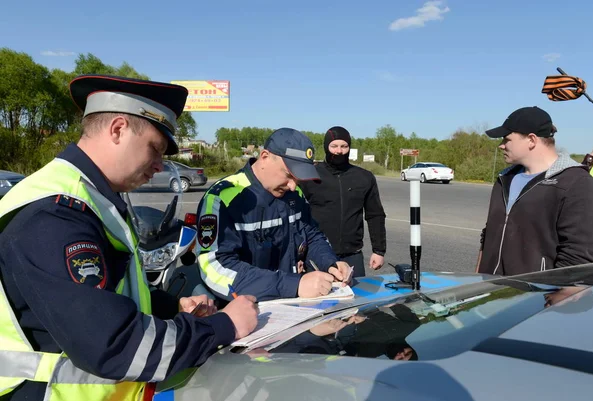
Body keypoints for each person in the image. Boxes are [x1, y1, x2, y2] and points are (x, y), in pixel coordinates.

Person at [0, 75, 258, 401]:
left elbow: (105, 292)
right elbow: (115, 344)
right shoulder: (54, 214)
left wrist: (170, 305)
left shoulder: (92, 196)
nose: (160, 165)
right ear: (118, 129)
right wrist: (224, 326)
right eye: (155, 148)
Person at [195, 128, 352, 302]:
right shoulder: (222, 198)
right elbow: (214, 268)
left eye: (298, 179)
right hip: (245, 313)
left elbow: (312, 235)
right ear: (264, 157)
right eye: (288, 175)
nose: (293, 186)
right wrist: (293, 285)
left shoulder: (294, 195)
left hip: (292, 306)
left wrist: (330, 263)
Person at [476, 106, 593, 276]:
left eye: (506, 139)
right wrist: (477, 278)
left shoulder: (577, 184)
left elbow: (579, 258)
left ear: (532, 140)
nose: (501, 146)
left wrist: (548, 297)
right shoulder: (504, 179)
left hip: (534, 297)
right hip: (489, 292)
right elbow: (488, 234)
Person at [298, 126, 386, 277]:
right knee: (318, 300)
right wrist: (297, 255)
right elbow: (295, 216)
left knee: (356, 299)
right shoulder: (310, 176)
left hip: (352, 255)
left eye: (344, 146)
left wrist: (378, 251)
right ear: (326, 147)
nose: (339, 151)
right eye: (334, 146)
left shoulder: (364, 177)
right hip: (317, 254)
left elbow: (375, 215)